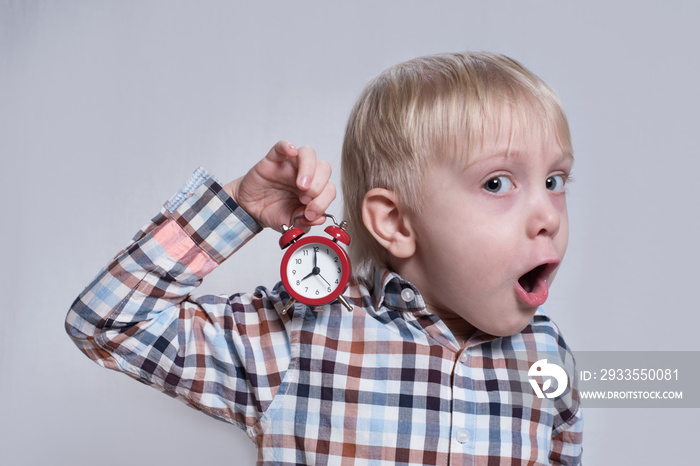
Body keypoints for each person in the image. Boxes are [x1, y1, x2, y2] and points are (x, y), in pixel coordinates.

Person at [66, 51, 583, 465]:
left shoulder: (546, 357)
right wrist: (239, 208)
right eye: (497, 183)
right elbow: (108, 323)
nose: (549, 216)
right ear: (396, 223)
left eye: (554, 181)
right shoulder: (303, 337)